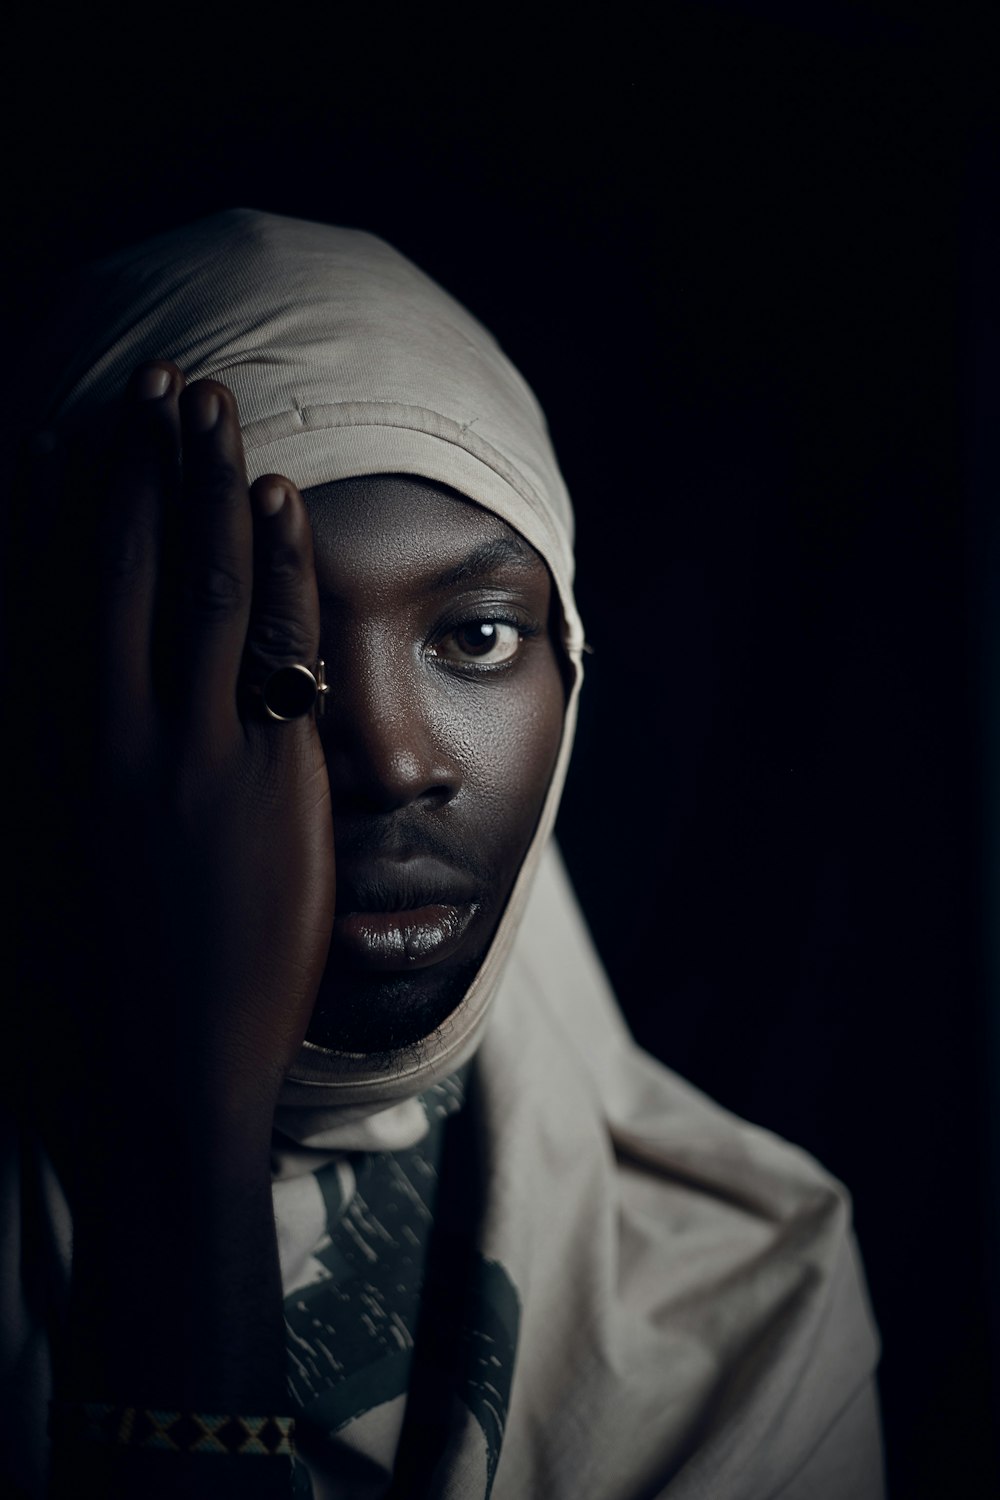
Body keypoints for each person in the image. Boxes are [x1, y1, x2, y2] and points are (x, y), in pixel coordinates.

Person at [1, 210, 883, 1498]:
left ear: (568, 661)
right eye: (251, 648)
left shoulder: (738, 1302)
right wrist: (186, 1131)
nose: (396, 761)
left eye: (474, 637)